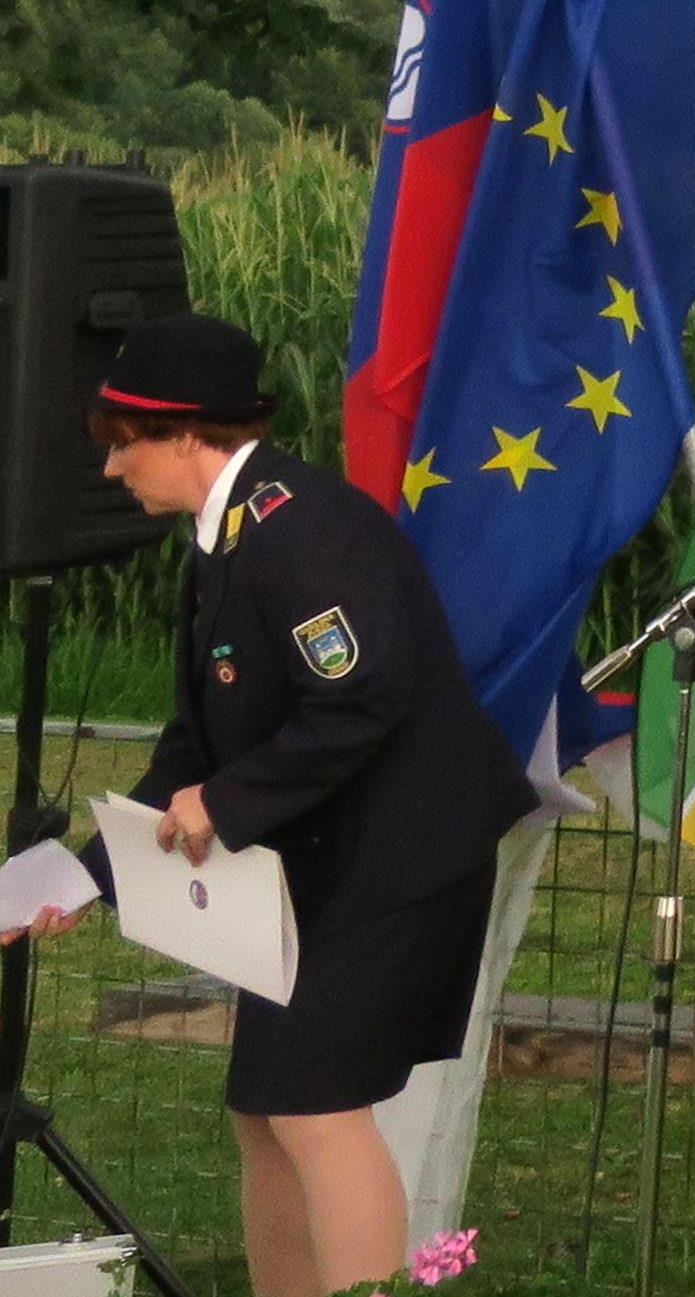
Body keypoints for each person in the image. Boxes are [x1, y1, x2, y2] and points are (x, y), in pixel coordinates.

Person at [9, 313, 534, 1297]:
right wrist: (80, 877)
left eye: (122, 444)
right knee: (266, 1110)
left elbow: (363, 693)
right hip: (332, 856)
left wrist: (230, 801)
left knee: (315, 1109)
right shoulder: (232, 536)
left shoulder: (305, 533)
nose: (112, 469)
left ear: (185, 435)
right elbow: (195, 745)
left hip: (403, 855)